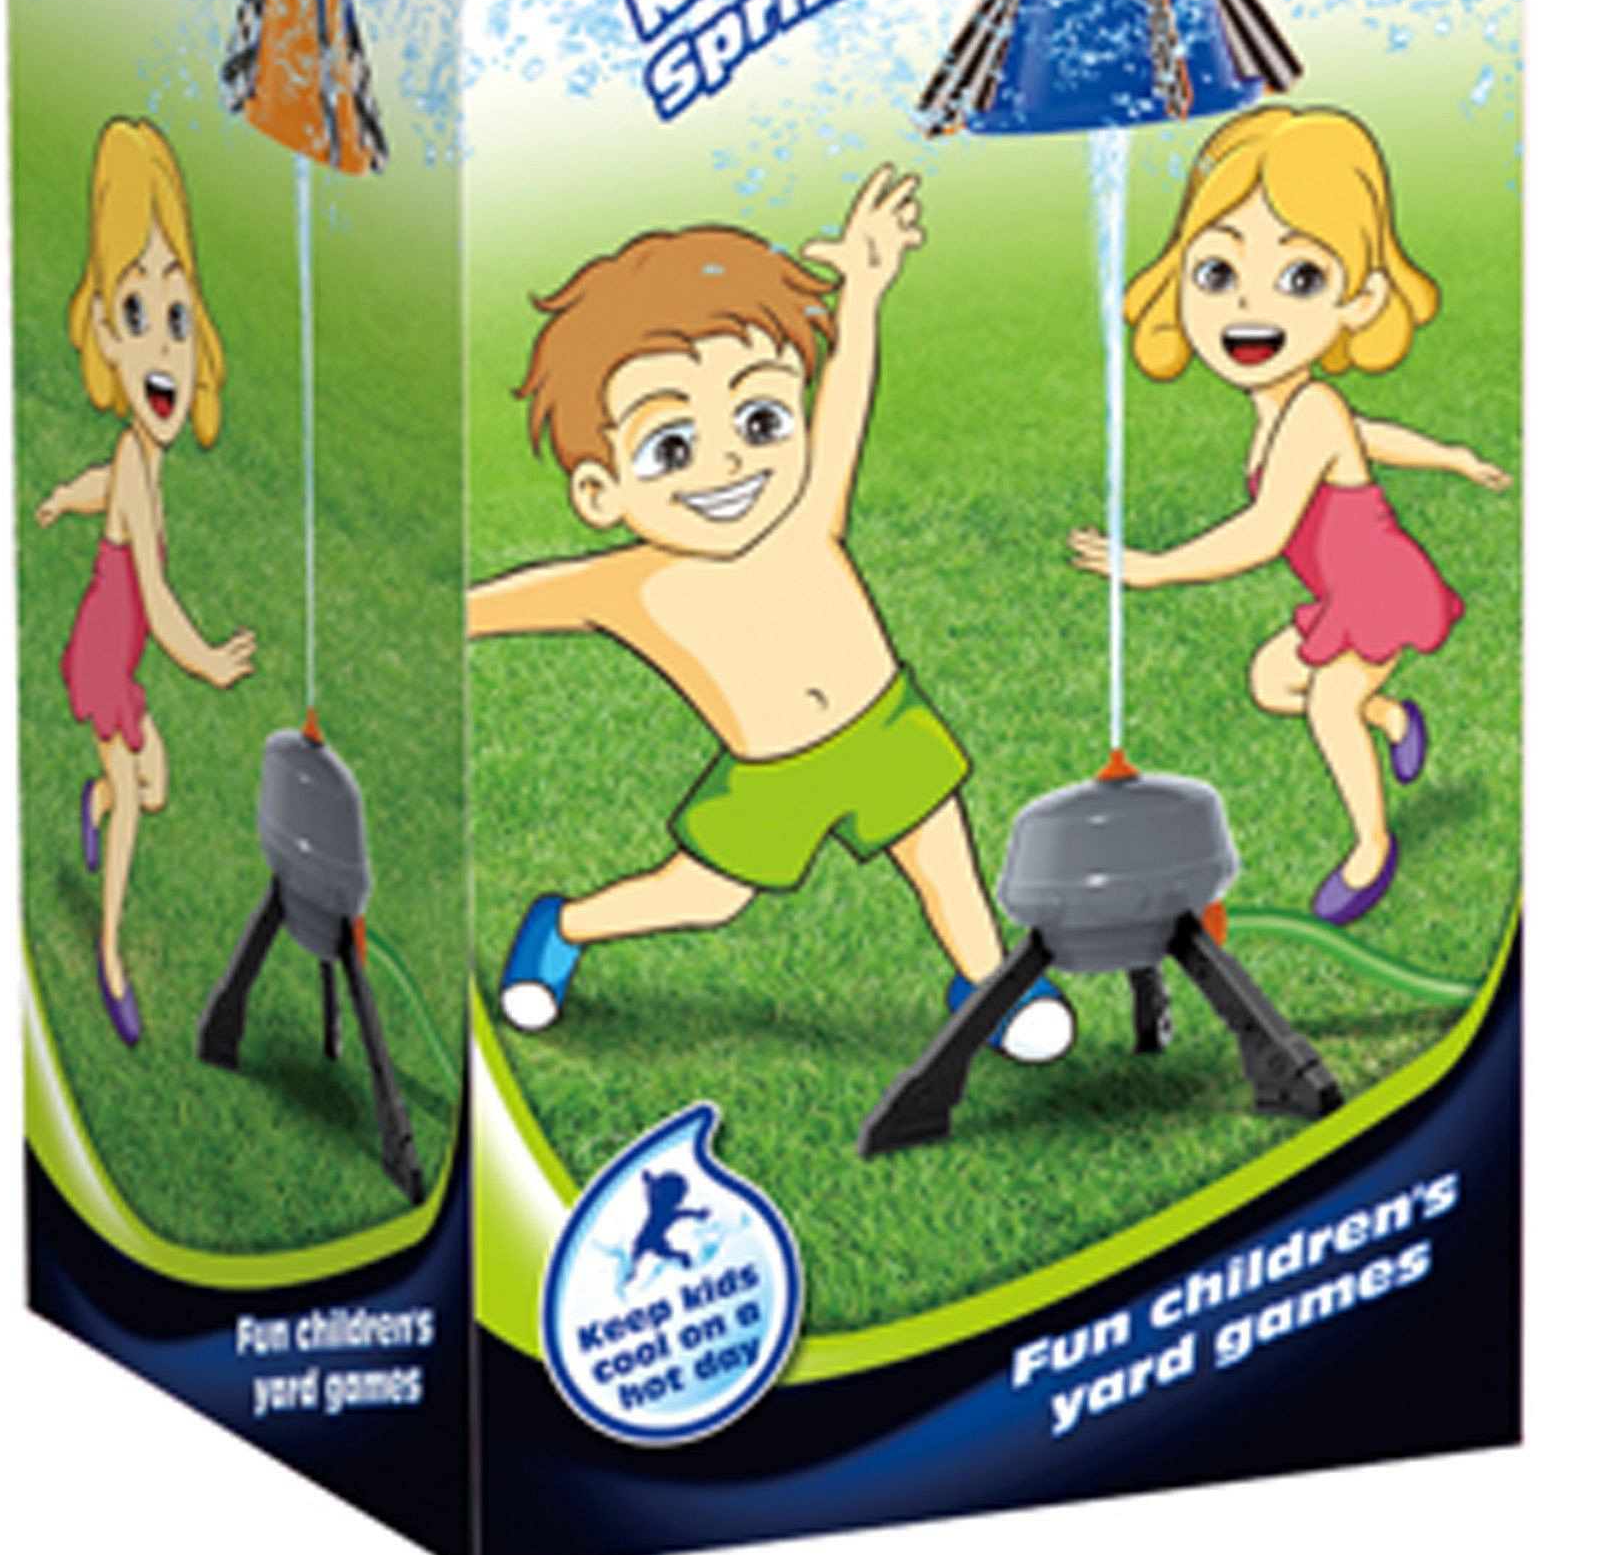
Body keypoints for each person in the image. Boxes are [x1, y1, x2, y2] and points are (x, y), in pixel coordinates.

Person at [473, 166, 1071, 1061]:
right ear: (601, 491)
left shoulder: (807, 514)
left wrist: (863, 291)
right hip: (772, 774)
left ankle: (988, 984)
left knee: (943, 860)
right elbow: (493, 606)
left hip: (883, 725)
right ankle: (564, 928)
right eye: (672, 446)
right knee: (704, 895)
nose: (726, 465)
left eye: (759, 420)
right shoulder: (627, 585)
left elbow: (848, 399)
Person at [1072, 106, 1507, 926]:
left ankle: (1371, 848)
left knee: (1328, 703)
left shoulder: (1308, 411)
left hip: (1378, 589)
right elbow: (1367, 435)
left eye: (1300, 278)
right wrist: (1448, 454)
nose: (1249, 307)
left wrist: (1155, 568)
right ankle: (1393, 718)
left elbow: (1267, 530)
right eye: (1217, 273)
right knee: (1273, 682)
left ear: (1359, 298)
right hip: (1341, 590)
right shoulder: (1291, 408)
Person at [36, 119, 256, 1043]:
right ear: (102, 329)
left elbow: (115, 485)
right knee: (135, 797)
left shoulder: (138, 459)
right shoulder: (137, 459)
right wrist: (204, 660)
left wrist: (66, 496)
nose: (162, 350)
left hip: (117, 653)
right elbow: (157, 604)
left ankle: (94, 802)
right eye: (136, 316)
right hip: (107, 651)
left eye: (176, 317)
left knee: (151, 787)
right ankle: (112, 957)